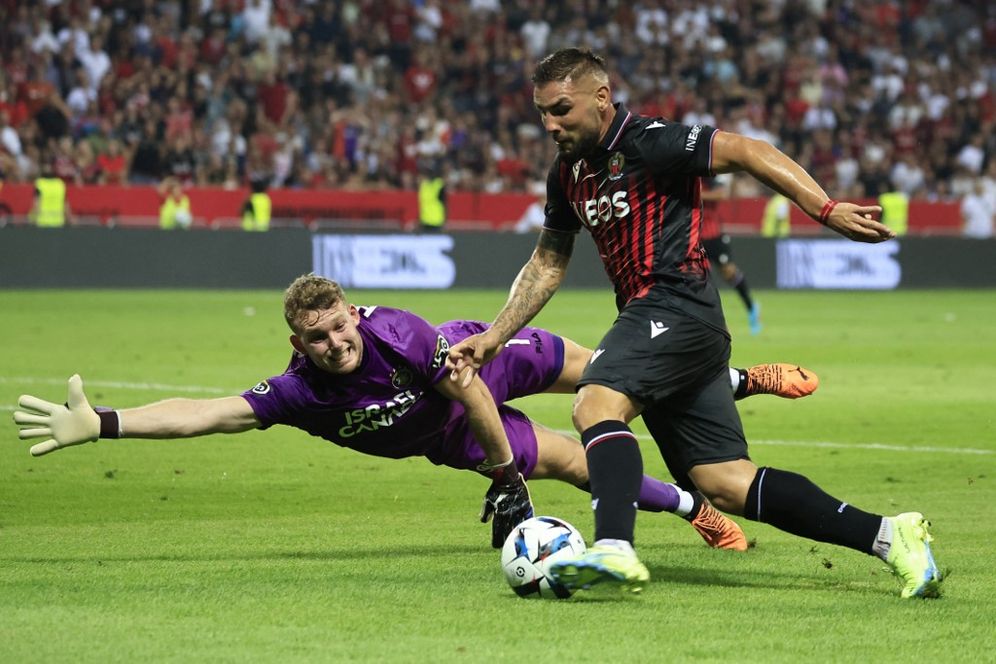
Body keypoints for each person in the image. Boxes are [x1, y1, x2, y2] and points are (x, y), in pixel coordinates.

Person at [446, 48, 941, 599]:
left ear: (601, 97)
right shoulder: (567, 174)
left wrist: (823, 209)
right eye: (542, 113)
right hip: (672, 326)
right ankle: (890, 536)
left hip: (675, 304)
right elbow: (546, 263)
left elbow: (749, 151)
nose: (550, 124)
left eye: (561, 109)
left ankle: (613, 547)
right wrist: (495, 335)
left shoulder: (649, 141)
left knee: (595, 402)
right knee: (724, 483)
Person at [13, 274, 818, 552]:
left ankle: (741, 379)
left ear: (350, 317)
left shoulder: (395, 333)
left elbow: (468, 387)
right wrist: (109, 422)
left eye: (338, 328)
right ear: (297, 339)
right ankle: (693, 509)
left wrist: (508, 476)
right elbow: (210, 412)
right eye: (316, 337)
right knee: (578, 460)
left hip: (484, 362)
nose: (334, 344)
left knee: (606, 379)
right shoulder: (299, 392)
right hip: (458, 438)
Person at [700, 174, 761, 334]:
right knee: (702, 278)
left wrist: (698, 194)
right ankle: (712, 322)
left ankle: (751, 307)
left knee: (728, 272)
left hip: (714, 235)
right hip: (696, 237)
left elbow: (721, 194)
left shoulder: (709, 179)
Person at [30, 161, 71, 227]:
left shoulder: (39, 183)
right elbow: (66, 205)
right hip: (58, 223)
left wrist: (30, 220)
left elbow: (36, 205)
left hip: (42, 223)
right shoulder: (60, 184)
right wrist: (69, 220)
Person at [417, 161, 447, 232]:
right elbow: (423, 204)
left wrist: (445, 220)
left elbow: (445, 203)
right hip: (425, 221)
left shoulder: (439, 185)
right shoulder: (424, 185)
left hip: (436, 221)